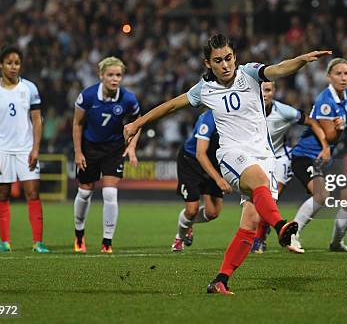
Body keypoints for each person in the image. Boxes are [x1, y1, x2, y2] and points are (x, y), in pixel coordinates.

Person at [124, 34, 331, 294]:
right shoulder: (203, 90)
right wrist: (136, 124)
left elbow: (278, 69)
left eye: (229, 58)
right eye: (218, 60)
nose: (225, 65)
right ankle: (280, 227)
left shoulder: (251, 74)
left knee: (250, 223)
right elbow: (171, 106)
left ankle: (220, 280)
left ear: (235, 57)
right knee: (258, 181)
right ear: (208, 63)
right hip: (232, 155)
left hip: (265, 156)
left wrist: (301, 60)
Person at [290, 58, 347, 254]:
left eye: (346, 73)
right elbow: (329, 136)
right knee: (321, 195)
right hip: (307, 155)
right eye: (339, 73)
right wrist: (339, 129)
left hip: (327, 159)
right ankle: (292, 235)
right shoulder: (325, 101)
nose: (343, 77)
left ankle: (337, 243)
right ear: (329, 76)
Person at [0, 45, 49, 253]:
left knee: (32, 193)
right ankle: (4, 242)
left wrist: (36, 148)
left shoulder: (29, 88)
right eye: (9, 63)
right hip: (1, 149)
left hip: (25, 149)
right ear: (0, 65)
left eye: (17, 63)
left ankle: (38, 242)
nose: (13, 67)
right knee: (2, 194)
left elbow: (37, 121)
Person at [251, 81, 330, 253]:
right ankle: (262, 232)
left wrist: (325, 146)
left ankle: (259, 238)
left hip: (280, 159)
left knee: (271, 198)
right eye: (262, 90)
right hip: (257, 159)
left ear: (274, 92)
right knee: (257, 202)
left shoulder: (284, 111)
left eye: (268, 90)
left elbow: (312, 122)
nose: (265, 94)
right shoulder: (248, 111)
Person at [72, 56, 141, 254]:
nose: (115, 79)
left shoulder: (128, 99)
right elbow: (77, 124)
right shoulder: (87, 96)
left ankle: (107, 242)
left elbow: (138, 122)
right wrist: (78, 152)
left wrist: (132, 146)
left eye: (118, 75)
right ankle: (79, 236)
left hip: (113, 148)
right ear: (101, 76)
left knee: (110, 193)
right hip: (90, 147)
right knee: (85, 192)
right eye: (110, 75)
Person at [172, 109, 231, 252]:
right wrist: (218, 179)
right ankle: (180, 237)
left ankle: (189, 223)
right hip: (191, 161)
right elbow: (200, 153)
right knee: (192, 210)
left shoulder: (236, 119)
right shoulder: (208, 118)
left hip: (214, 162)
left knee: (213, 213)